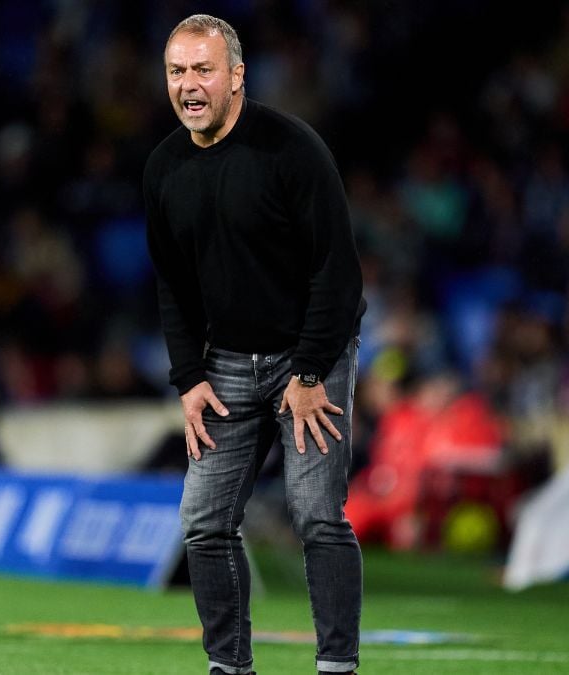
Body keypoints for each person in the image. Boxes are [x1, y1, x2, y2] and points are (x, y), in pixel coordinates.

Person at [144, 15, 365, 675]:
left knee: (317, 514)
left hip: (310, 356)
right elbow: (172, 285)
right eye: (177, 71)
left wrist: (309, 371)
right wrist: (189, 377)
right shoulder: (164, 167)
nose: (188, 85)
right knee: (203, 519)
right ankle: (229, 666)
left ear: (236, 76)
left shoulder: (291, 150)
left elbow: (338, 273)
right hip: (226, 365)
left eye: (202, 70)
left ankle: (337, 667)